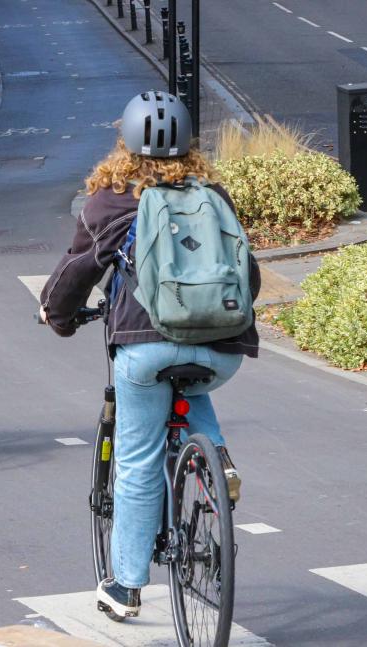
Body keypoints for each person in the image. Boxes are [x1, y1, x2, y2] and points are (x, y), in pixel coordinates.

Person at [39, 91, 260, 619]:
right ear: (189, 146)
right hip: (221, 350)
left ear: (124, 143)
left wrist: (58, 316)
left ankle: (126, 588)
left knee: (136, 464)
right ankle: (214, 454)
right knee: (193, 384)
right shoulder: (214, 195)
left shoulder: (110, 201)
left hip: (145, 347)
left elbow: (75, 274)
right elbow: (247, 275)